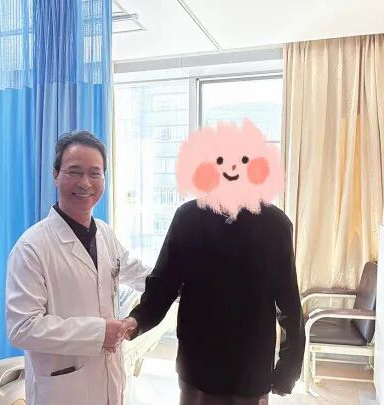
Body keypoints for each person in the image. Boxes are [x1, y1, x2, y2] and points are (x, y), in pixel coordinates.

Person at [120, 120, 303, 405]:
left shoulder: (276, 225)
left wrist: (288, 368)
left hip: (251, 365)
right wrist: (138, 319)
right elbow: (163, 284)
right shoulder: (187, 218)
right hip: (198, 361)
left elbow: (289, 303)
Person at [6, 131, 149, 405]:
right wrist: (98, 333)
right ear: (55, 174)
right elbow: (22, 328)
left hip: (108, 380)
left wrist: (183, 283)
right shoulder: (31, 247)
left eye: (95, 173)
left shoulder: (105, 234)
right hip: (63, 391)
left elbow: (138, 272)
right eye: (74, 171)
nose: (85, 183)